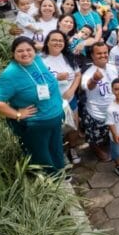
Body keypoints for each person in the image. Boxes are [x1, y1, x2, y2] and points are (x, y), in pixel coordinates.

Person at [0, 37, 64, 174]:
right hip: (36, 125)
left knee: (56, 149)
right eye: (20, 51)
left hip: (54, 118)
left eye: (29, 50)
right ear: (13, 54)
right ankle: (51, 186)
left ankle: (61, 173)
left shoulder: (37, 60)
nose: (25, 53)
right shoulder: (10, 75)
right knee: (42, 158)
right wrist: (17, 114)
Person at [41, 30, 82, 164]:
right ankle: (60, 153)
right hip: (51, 102)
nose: (58, 43)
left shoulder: (68, 57)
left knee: (73, 126)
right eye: (54, 40)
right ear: (47, 42)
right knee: (56, 130)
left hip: (70, 100)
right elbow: (36, 82)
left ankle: (72, 148)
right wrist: (55, 77)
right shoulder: (40, 60)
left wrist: (71, 91)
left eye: (61, 41)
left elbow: (78, 75)